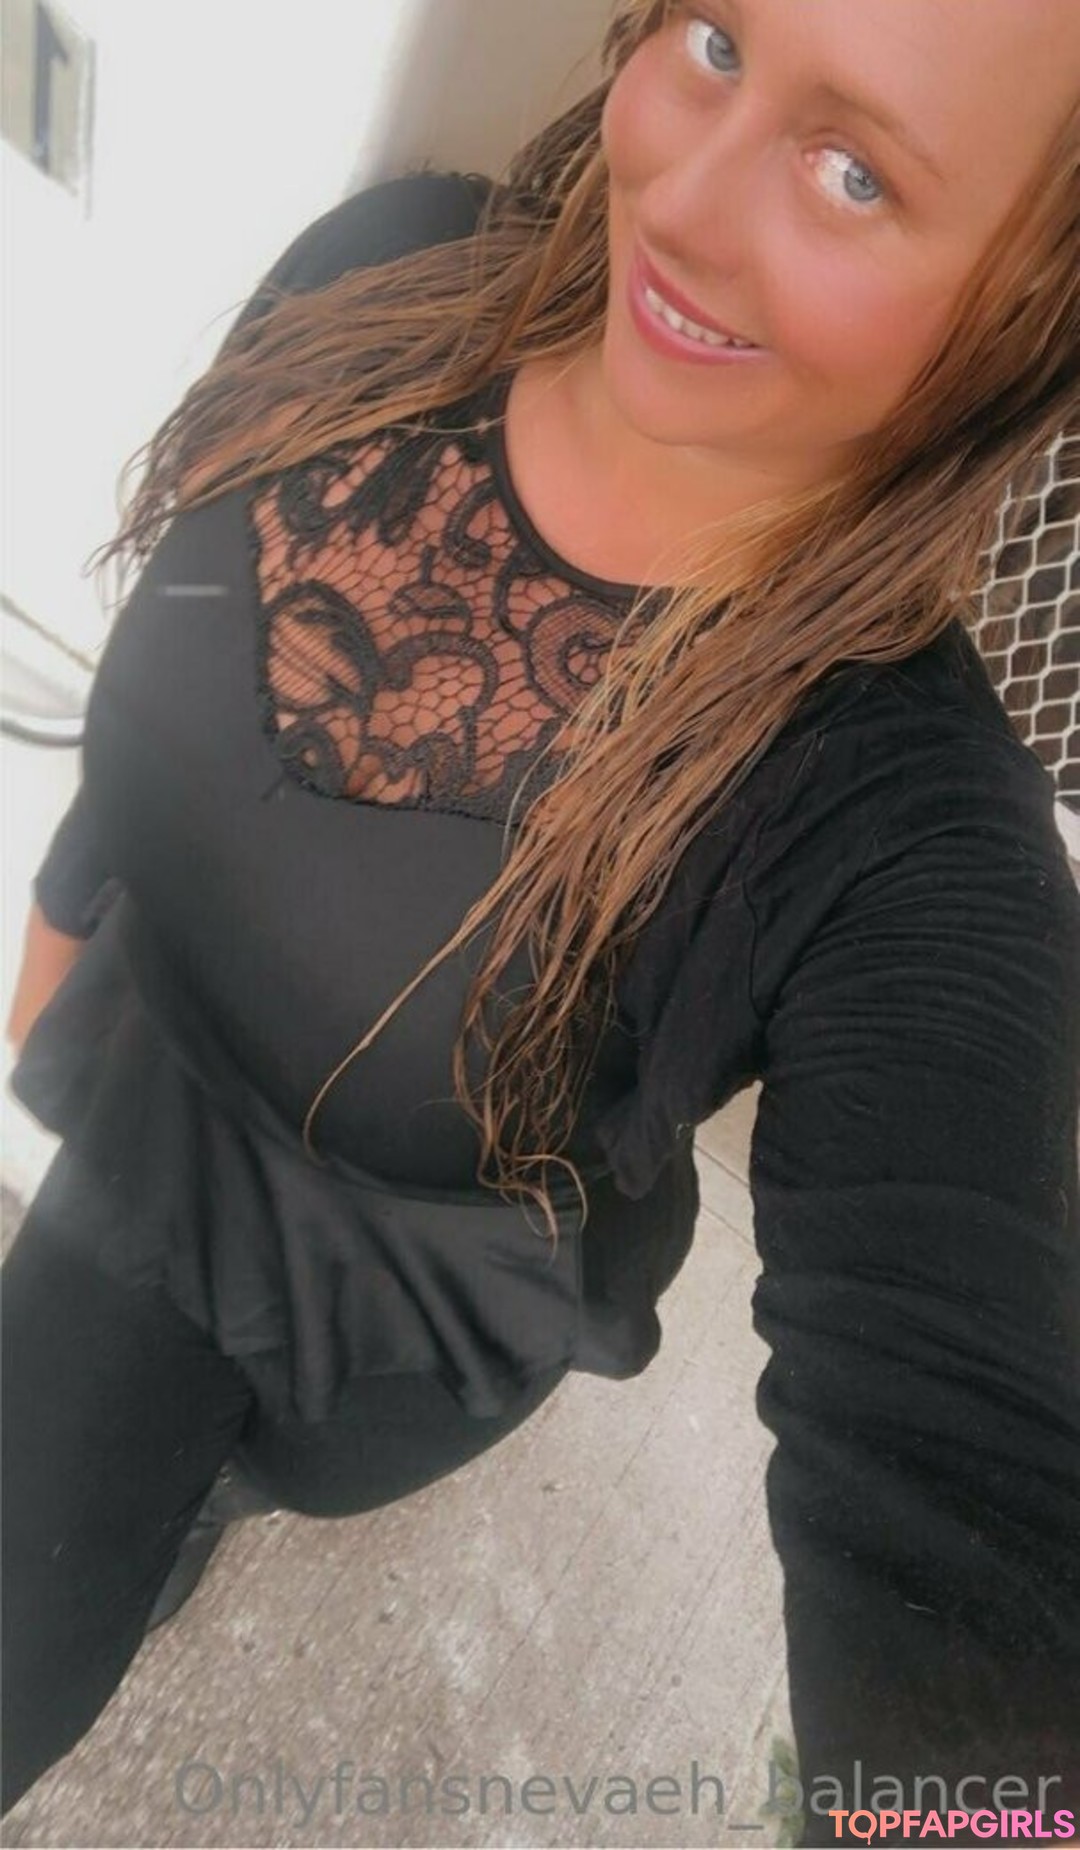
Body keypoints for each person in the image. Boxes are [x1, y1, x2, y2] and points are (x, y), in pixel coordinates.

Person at [3, 0, 1079, 1842]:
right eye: (721, 41)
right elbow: (164, 699)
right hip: (129, 1110)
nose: (687, 198)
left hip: (364, 1339)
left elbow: (958, 1506)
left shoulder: (904, 836)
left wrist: (972, 1809)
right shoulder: (392, 266)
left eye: (855, 173)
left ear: (1028, 312)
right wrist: (62, 928)